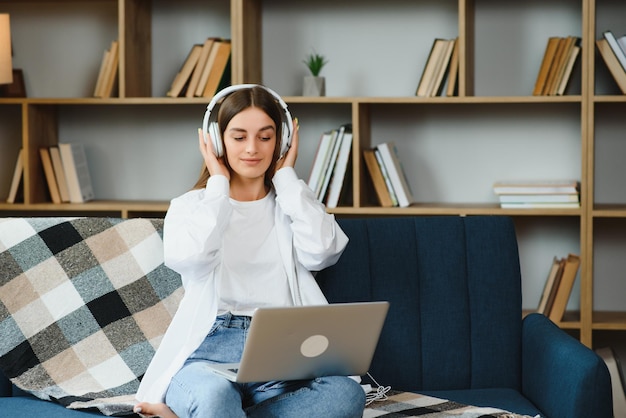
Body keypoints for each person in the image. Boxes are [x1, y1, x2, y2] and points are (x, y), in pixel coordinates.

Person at [133, 85, 366, 418]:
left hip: (280, 354)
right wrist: (218, 185)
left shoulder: (293, 203)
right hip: (207, 355)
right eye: (239, 137)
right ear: (216, 141)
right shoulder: (191, 207)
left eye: (265, 137)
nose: (253, 149)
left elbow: (323, 252)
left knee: (345, 394)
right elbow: (190, 258)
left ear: (282, 142)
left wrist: (286, 177)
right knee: (214, 398)